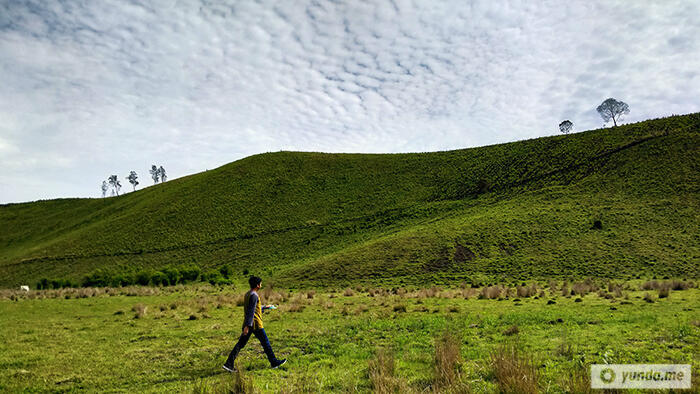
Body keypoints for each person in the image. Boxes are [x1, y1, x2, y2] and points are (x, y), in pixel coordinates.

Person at [223, 276, 286, 371]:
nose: (261, 284)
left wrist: (265, 307)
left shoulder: (248, 294)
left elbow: (254, 308)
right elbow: (251, 311)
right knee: (266, 343)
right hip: (255, 324)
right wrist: (247, 327)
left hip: (249, 324)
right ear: (257, 285)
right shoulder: (254, 295)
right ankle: (274, 362)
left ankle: (229, 364)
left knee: (240, 344)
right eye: (260, 283)